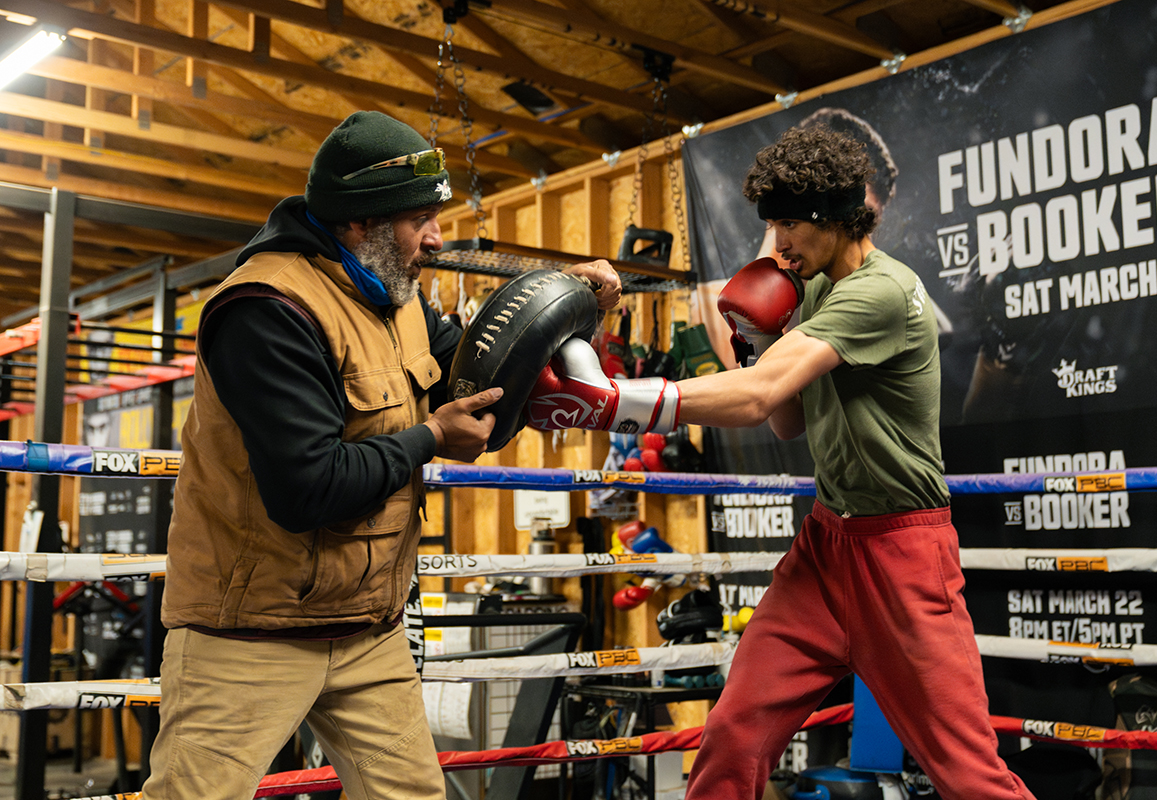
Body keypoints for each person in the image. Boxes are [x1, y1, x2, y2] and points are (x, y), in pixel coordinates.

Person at [524, 123, 1035, 800]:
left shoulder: (883, 292)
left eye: (789, 224)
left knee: (968, 774)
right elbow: (787, 416)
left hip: (903, 555)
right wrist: (765, 336)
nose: (779, 244)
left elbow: (759, 396)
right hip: (827, 548)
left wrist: (614, 401)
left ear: (834, 218)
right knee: (735, 733)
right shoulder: (818, 289)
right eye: (773, 226)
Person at [141, 110, 620, 800]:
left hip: (367, 627)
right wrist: (431, 438)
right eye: (419, 218)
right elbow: (307, 487)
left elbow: (479, 385)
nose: (437, 236)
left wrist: (568, 299)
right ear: (358, 222)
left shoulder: (399, 300)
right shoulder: (266, 308)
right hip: (250, 633)